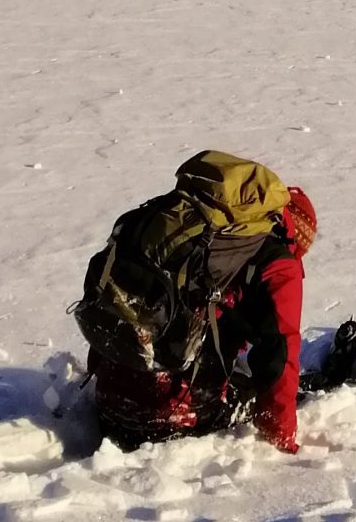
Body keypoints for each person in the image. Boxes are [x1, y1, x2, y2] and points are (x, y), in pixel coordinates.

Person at [85, 175, 318, 454]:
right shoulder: (277, 263)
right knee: (251, 394)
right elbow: (280, 352)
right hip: (171, 419)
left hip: (107, 407)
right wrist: (282, 439)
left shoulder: (191, 233)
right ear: (296, 234)